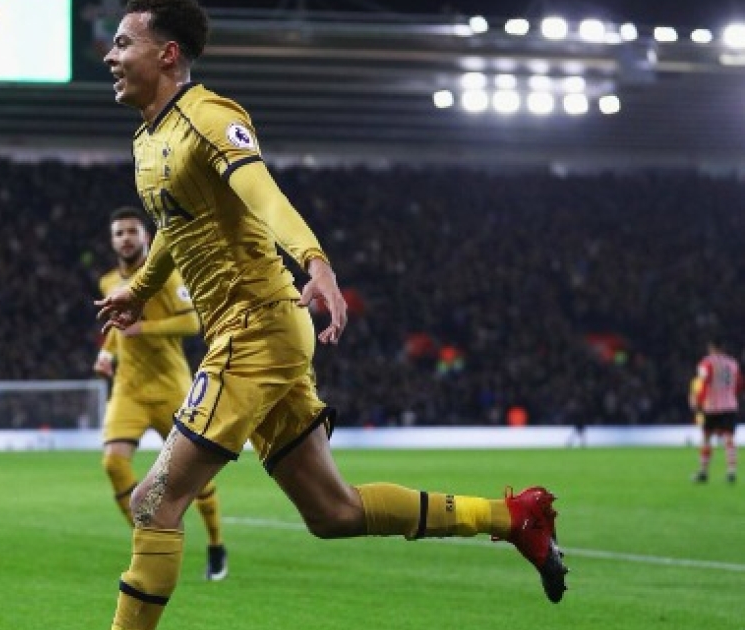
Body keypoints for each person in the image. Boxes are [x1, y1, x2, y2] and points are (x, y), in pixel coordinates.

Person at [94, 2, 568, 628]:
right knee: (333, 512)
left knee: (154, 503)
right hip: (252, 334)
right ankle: (513, 517)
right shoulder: (147, 138)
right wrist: (140, 288)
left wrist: (315, 261)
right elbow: (172, 225)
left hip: (256, 329)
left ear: (167, 54)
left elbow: (264, 195)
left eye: (123, 43)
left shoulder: (209, 117)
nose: (110, 56)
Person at [94, 206, 228, 580]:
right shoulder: (108, 282)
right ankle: (148, 541)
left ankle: (216, 545)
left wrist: (144, 329)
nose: (125, 238)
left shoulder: (166, 275)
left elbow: (191, 322)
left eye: (131, 231)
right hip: (129, 389)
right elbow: (117, 324)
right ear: (112, 241)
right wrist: (107, 353)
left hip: (172, 386)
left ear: (147, 237)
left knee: (196, 474)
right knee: (113, 463)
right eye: (119, 233)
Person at [689, 341, 740, 483]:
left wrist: (697, 400)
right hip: (730, 406)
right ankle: (731, 471)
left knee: (706, 438)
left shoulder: (706, 363)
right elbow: (738, 384)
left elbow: (703, 382)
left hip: (711, 406)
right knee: (729, 439)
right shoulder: (733, 363)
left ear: (711, 348)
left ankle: (703, 472)